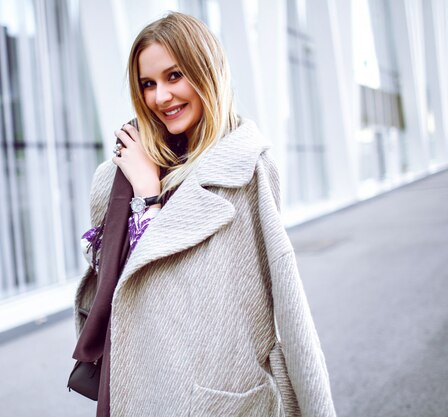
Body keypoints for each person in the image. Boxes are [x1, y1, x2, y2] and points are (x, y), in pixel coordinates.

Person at [72, 12, 336, 417]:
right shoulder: (117, 179)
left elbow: (287, 298)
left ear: (206, 72)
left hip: (219, 397)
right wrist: (142, 189)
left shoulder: (245, 168)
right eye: (148, 84)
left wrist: (149, 199)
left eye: (174, 76)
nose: (161, 97)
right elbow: (121, 294)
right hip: (139, 389)